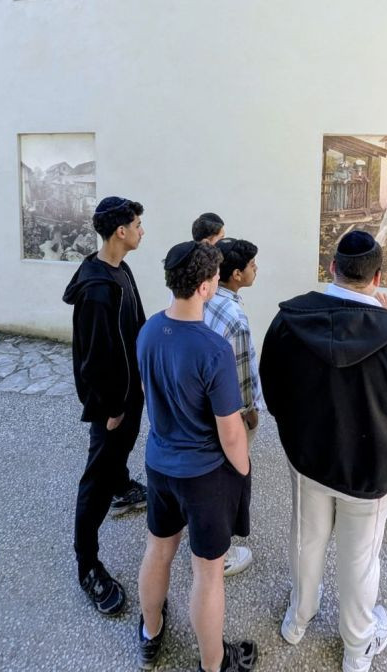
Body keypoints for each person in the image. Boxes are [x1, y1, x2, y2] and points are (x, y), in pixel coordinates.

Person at [260, 231, 387, 672]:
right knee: (360, 561)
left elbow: (272, 387)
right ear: (377, 278)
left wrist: (294, 436)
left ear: (331, 269)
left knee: (306, 542)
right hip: (373, 475)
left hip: (308, 462)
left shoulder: (288, 319)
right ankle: (356, 648)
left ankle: (297, 620)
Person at [136, 242, 257, 672]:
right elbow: (230, 430)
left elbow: (151, 396)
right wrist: (242, 472)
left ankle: (150, 632)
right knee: (207, 573)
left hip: (159, 463)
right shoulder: (212, 348)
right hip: (203, 476)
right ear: (207, 286)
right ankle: (213, 663)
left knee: (158, 550)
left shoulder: (149, 330)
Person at [62, 197, 147, 615]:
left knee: (118, 456)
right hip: (114, 403)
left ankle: (121, 484)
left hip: (131, 395)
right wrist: (111, 407)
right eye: (137, 224)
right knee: (95, 478)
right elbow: (93, 360)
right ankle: (87, 566)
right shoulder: (97, 291)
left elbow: (137, 326)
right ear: (120, 232)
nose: (141, 230)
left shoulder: (121, 270)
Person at [204, 238, 262, 578]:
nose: (258, 270)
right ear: (237, 274)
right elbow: (240, 375)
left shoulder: (207, 297)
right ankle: (220, 552)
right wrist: (250, 415)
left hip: (205, 406)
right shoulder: (235, 316)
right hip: (230, 413)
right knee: (230, 478)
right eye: (253, 266)